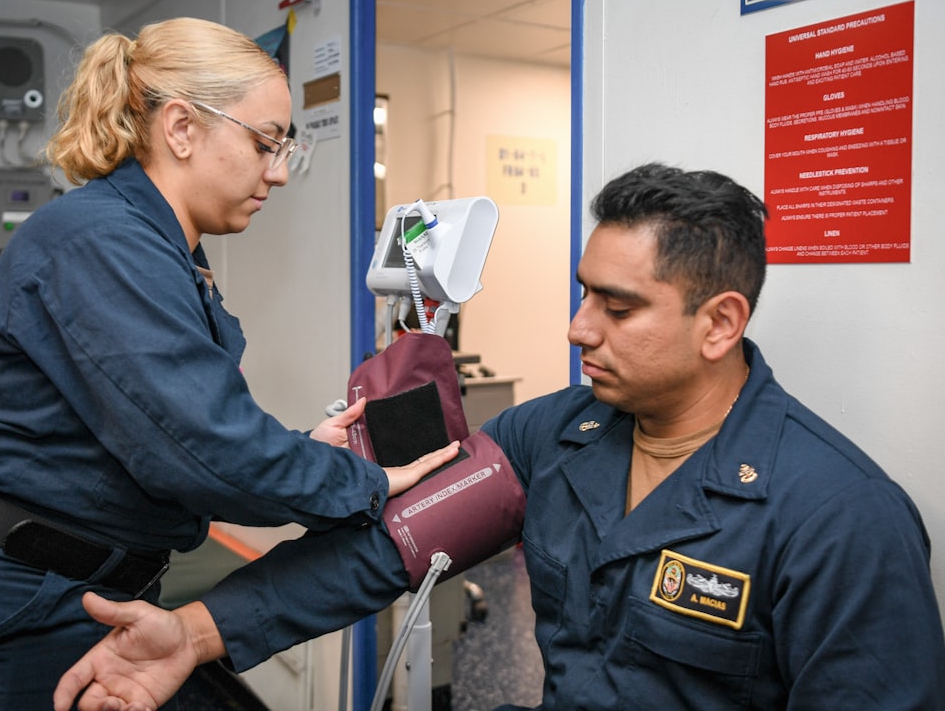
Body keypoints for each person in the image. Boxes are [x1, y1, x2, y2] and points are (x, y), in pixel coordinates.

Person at [53, 163, 945, 710]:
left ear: (720, 323)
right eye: (584, 293)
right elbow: (389, 550)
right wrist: (196, 632)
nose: (577, 328)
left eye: (617, 307)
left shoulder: (840, 518)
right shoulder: (554, 434)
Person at [0, 17, 459, 710]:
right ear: (180, 128)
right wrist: (367, 483)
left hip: (77, 588)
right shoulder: (101, 241)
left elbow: (174, 429)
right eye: (264, 143)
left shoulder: (161, 249)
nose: (276, 172)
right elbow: (206, 447)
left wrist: (303, 453)